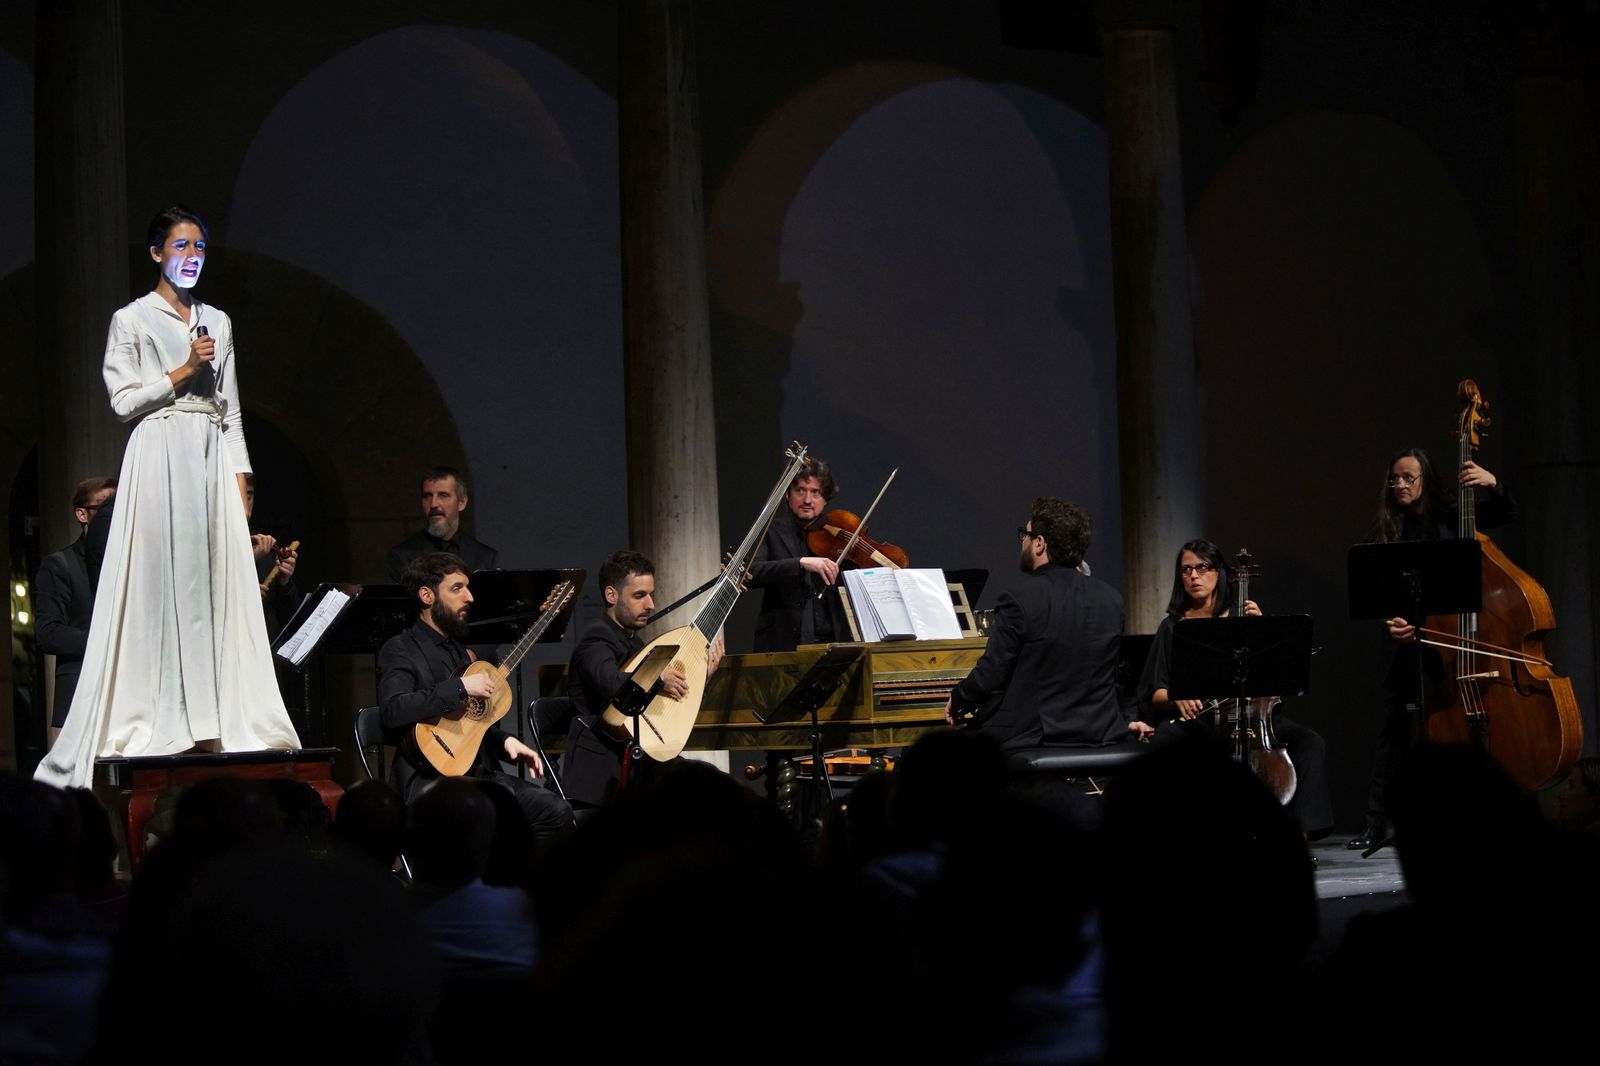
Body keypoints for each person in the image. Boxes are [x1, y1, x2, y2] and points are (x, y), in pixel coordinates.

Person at [36, 207, 299, 788]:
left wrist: (239, 489)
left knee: (212, 585)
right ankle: (164, 716)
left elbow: (228, 410)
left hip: (208, 450)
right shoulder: (131, 319)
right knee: (163, 581)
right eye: (181, 246)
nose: (192, 256)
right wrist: (181, 372)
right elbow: (124, 401)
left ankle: (217, 718)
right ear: (157, 253)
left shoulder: (218, 321)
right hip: (159, 449)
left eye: (200, 247)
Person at [1348, 446, 1515, 851]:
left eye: (1408, 477)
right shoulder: (1386, 530)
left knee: (1449, 727)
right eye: (1395, 479)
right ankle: (1377, 822)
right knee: (1392, 730)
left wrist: (1493, 485)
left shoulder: (1451, 518)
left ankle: (1457, 814)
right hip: (1404, 645)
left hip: (1451, 642)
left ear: (1425, 479)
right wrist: (1392, 621)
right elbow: (1373, 590)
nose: (1400, 485)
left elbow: (1501, 516)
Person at [1129, 539, 1335, 838]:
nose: (1194, 576)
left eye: (1202, 568)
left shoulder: (1243, 619)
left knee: (1309, 741)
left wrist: (1263, 633)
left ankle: (1300, 833)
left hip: (1254, 717)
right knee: (1162, 745)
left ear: (1219, 573)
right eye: (1186, 569)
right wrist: (1178, 697)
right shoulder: (1173, 627)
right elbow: (1153, 692)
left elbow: (1276, 680)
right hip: (1201, 722)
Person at [377, 552, 571, 839]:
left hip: (476, 774)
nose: (469, 597)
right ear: (427, 596)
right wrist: (460, 687)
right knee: (492, 820)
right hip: (427, 780)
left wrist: (505, 740)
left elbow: (466, 727)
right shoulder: (400, 648)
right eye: (457, 588)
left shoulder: (459, 650)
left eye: (468, 588)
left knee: (555, 811)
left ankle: (517, 882)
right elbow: (393, 711)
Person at [943, 497, 1125, 751]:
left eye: (1025, 535)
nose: (1023, 542)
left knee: (942, 757)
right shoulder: (1112, 599)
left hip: (1035, 735)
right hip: (1100, 731)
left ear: (1039, 543)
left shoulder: (1020, 599)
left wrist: (959, 697)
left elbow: (991, 675)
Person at [561, 550, 723, 808]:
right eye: (639, 595)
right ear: (611, 595)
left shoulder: (635, 642)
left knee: (712, 785)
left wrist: (701, 678)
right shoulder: (596, 638)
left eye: (651, 594)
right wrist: (658, 679)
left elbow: (659, 707)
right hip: (604, 773)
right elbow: (612, 683)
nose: (651, 605)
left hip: (638, 761)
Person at [34, 477, 116, 736]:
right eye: (104, 507)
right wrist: (107, 641)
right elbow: (47, 632)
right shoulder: (60, 565)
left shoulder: (136, 562)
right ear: (82, 514)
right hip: (84, 690)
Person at [747, 456, 847, 651]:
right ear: (787, 494)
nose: (807, 500)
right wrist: (800, 563)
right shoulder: (771, 530)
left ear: (826, 499)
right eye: (800, 490)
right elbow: (751, 573)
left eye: (815, 493)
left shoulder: (838, 535)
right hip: (781, 644)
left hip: (833, 644)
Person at [385, 467, 497, 582]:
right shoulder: (403, 557)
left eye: (443, 495)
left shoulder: (484, 557)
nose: (433, 504)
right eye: (427, 496)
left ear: (461, 502)